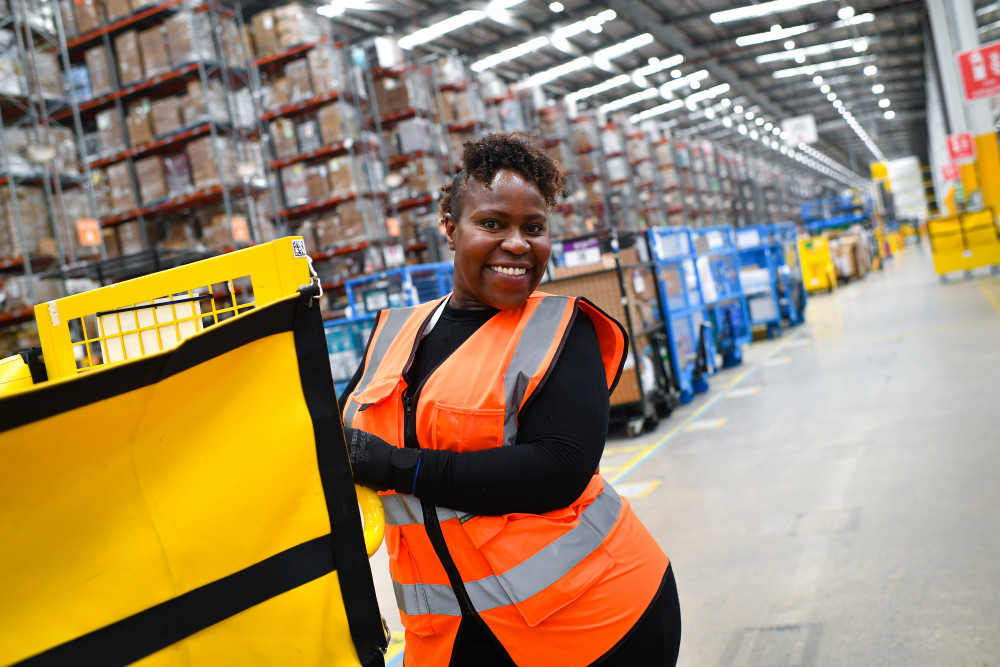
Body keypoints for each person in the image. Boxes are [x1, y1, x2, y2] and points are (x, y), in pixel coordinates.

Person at [339, 132, 680, 666]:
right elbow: (337, 441)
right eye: (493, 223)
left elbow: (558, 467)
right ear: (449, 228)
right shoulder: (392, 335)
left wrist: (395, 466)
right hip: (452, 634)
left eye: (534, 228)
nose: (518, 244)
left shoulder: (561, 328)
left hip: (595, 622)